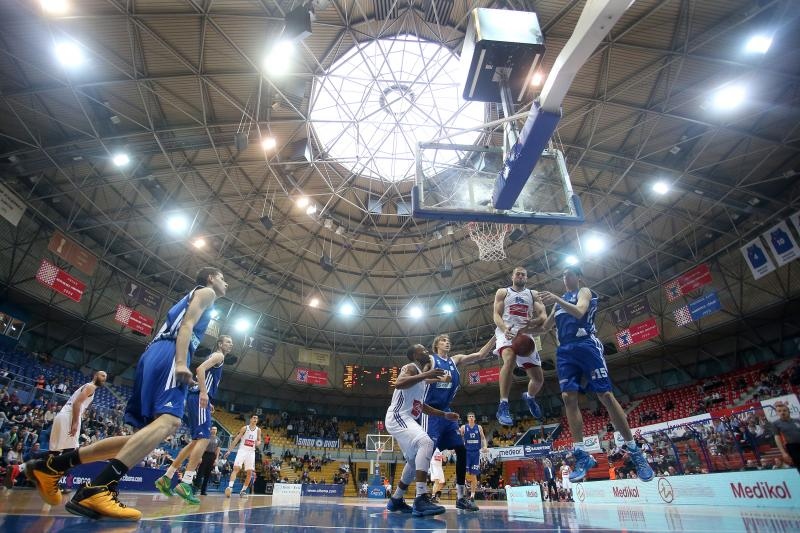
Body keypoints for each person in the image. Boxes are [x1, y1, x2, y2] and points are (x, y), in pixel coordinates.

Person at [24, 267, 227, 520]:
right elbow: (186, 324)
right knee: (171, 422)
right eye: (222, 278)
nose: (226, 283)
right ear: (210, 278)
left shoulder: (192, 296)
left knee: (142, 439)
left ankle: (53, 466)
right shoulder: (207, 292)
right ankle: (98, 488)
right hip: (172, 352)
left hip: (155, 353)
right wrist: (180, 362)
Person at [537, 266, 653, 483]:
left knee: (605, 396)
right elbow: (544, 327)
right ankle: (581, 454)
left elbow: (580, 311)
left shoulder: (584, 292)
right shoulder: (558, 303)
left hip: (586, 345)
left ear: (579, 277)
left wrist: (556, 299)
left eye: (569, 274)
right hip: (565, 351)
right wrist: (519, 329)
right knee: (567, 398)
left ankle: (634, 450)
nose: (565, 278)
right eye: (563, 275)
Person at [155, 334, 233, 503]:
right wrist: (204, 393)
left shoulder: (215, 357)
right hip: (198, 397)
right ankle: (186, 483)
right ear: (220, 344)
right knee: (204, 439)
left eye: (231, 343)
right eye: (228, 342)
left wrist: (205, 396)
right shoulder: (219, 356)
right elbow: (199, 370)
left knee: (195, 442)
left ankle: (166, 477)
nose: (231, 345)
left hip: (195, 396)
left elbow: (200, 378)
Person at [422, 335, 495, 511]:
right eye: (443, 340)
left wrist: (495, 336)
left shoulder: (455, 360)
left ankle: (461, 497)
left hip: (447, 413)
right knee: (424, 454)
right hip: (430, 411)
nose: (447, 342)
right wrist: (438, 378)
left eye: (448, 340)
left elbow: (480, 355)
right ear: (436, 345)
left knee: (461, 450)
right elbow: (420, 379)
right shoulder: (431, 360)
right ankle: (419, 496)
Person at [384, 344, 451, 517]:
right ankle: (421, 498)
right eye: (423, 350)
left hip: (405, 418)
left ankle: (396, 499)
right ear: (415, 355)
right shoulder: (410, 367)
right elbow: (398, 383)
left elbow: (423, 407)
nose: (427, 352)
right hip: (398, 416)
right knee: (426, 442)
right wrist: (427, 375)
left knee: (414, 461)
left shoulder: (419, 380)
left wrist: (444, 415)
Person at [493, 267, 547, 426]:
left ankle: (530, 397)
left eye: (524, 274)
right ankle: (503, 405)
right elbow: (496, 315)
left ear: (527, 278)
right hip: (507, 331)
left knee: (538, 379)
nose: (521, 276)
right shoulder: (503, 292)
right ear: (512, 276)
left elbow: (543, 315)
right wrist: (504, 329)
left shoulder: (533, 294)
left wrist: (534, 321)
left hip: (525, 334)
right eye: (518, 274)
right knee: (509, 359)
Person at [224, 414, 261, 497]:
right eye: (254, 418)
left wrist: (258, 443)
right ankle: (230, 487)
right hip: (242, 450)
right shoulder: (245, 428)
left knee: (250, 473)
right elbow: (237, 439)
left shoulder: (258, 430)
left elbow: (259, 440)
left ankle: (243, 491)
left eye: (257, 418)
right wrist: (229, 451)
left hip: (251, 452)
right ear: (250, 419)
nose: (255, 419)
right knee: (236, 468)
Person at [459, 413, 488, 501]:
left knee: (474, 475)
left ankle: (472, 495)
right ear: (467, 419)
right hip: (466, 453)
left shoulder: (479, 427)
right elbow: (459, 438)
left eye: (472, 416)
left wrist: (485, 446)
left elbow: (483, 438)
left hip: (475, 453)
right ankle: (464, 489)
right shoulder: (464, 427)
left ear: (474, 418)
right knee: (465, 473)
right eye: (469, 416)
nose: (471, 418)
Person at [769, 402, 800, 471]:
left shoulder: (797, 420)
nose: (782, 412)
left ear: (788, 411)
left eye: (784, 410)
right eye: (779, 411)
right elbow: (777, 438)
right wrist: (783, 452)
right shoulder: (775, 424)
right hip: (793, 447)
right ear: (777, 413)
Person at [196, 426, 222, 495]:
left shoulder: (218, 440)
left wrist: (216, 459)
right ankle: (195, 488)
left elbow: (218, 450)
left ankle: (203, 491)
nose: (214, 430)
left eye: (215, 429)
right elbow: (202, 447)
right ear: (210, 430)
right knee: (200, 473)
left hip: (212, 456)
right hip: (205, 454)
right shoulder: (206, 437)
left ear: (217, 431)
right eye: (213, 429)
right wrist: (200, 457)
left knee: (208, 474)